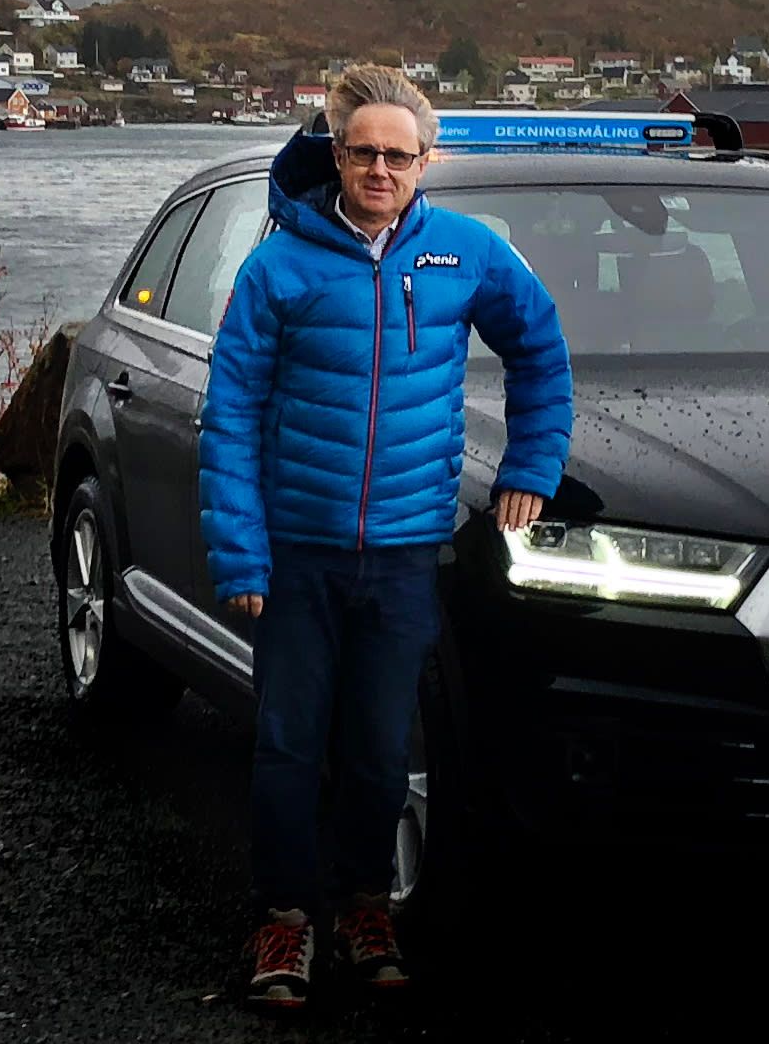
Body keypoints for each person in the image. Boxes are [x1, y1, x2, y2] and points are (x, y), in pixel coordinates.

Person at [195, 64, 573, 1012]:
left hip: (406, 552)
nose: (379, 168)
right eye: (362, 151)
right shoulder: (278, 263)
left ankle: (365, 908)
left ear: (424, 160)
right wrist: (241, 550)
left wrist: (532, 467)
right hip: (299, 551)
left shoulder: (466, 252)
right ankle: (283, 921)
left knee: (374, 748)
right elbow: (230, 409)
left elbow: (540, 350)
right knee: (288, 745)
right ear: (336, 153)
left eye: (397, 155)